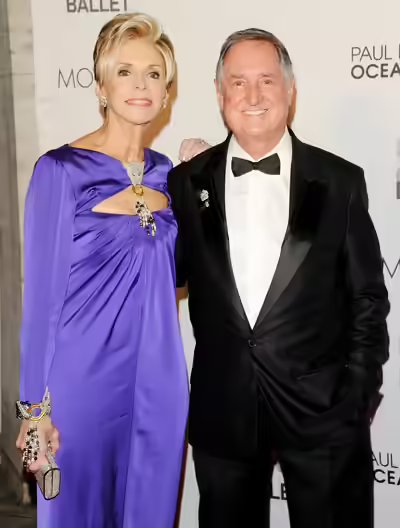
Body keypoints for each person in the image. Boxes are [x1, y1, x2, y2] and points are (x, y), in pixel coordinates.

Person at [168, 28, 389, 528]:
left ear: (290, 91)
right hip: (224, 413)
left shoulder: (340, 181)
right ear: (220, 94)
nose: (253, 95)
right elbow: (163, 276)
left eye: (267, 80)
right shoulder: (186, 181)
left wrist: (357, 396)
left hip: (324, 418)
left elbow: (368, 299)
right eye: (238, 82)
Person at [16, 12, 188, 528]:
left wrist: (205, 188)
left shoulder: (170, 175)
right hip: (82, 385)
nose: (140, 85)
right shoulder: (61, 170)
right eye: (125, 72)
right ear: (101, 86)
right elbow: (40, 301)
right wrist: (34, 411)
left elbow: (183, 273)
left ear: (167, 91)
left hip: (159, 382)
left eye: (153, 74)